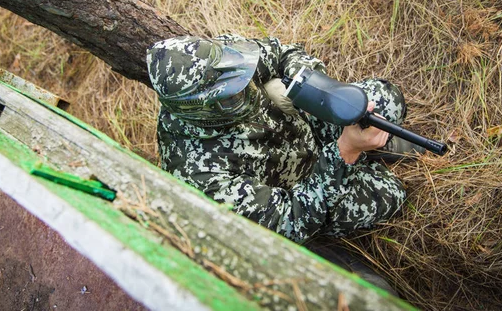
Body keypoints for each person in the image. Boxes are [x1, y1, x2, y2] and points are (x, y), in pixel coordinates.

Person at [146, 34, 424, 246]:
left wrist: (304, 84)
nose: (248, 93)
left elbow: (281, 52)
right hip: (304, 186)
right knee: (391, 193)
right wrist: (345, 152)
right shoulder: (199, 176)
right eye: (232, 96)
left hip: (305, 125)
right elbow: (290, 219)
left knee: (386, 99)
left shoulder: (223, 58)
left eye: (242, 82)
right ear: (201, 110)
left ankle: (370, 147)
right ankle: (365, 154)